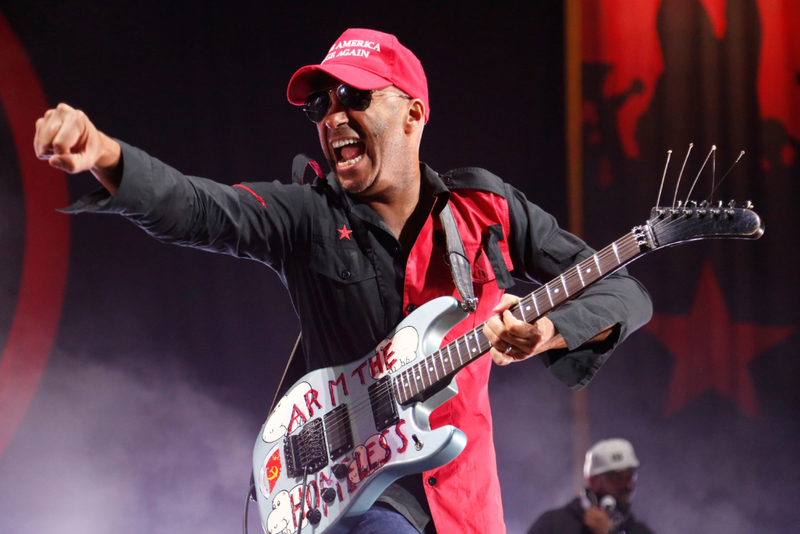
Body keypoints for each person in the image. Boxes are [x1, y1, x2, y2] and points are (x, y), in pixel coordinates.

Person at [33, 28, 652, 534]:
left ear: (412, 114)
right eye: (319, 104)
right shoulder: (310, 216)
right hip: (352, 502)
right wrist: (105, 155)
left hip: (465, 504)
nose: (332, 117)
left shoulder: (487, 211)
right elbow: (201, 208)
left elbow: (623, 291)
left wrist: (547, 331)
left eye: (353, 98)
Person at [528, 438, 655, 534]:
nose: (627, 485)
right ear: (593, 481)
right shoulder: (553, 525)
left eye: (630, 476)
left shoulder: (640, 531)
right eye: (616, 478)